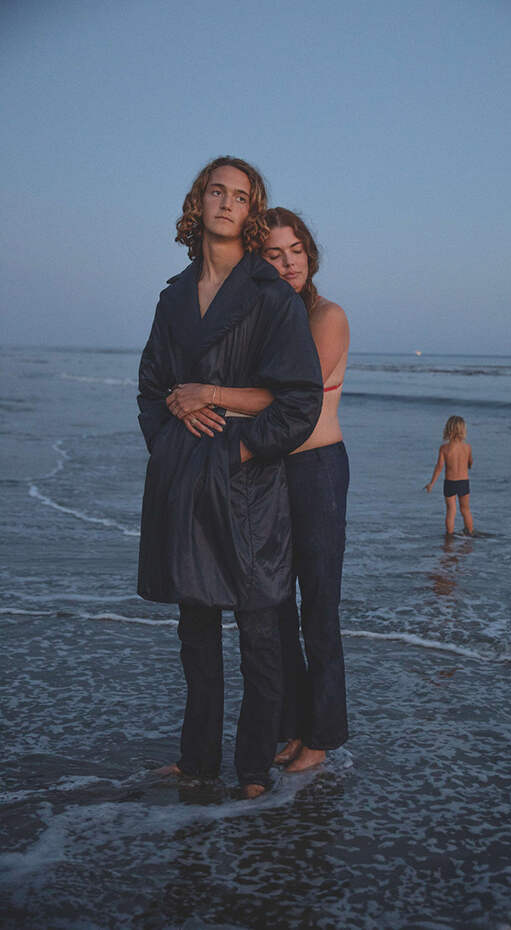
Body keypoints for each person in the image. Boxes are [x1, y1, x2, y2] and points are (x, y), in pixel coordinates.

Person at [137, 158, 323, 799]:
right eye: (216, 191)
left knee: (259, 631)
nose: (226, 203)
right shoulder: (172, 297)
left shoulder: (271, 296)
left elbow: (300, 401)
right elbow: (151, 387)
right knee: (195, 632)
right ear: (200, 201)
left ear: (251, 212)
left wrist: (237, 452)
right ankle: (197, 761)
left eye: (240, 197)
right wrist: (171, 443)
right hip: (184, 480)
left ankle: (250, 772)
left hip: (247, 485)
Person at [174, 207, 350, 773]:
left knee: (318, 605)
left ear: (309, 253)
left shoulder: (326, 316)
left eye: (297, 250)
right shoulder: (265, 317)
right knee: (272, 608)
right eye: (274, 254)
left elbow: (292, 395)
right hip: (266, 470)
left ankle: (322, 737)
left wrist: (209, 392)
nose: (289, 262)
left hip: (316, 470)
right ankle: (290, 728)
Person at [425, 415, 474, 535]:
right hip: (463, 481)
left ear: (448, 429)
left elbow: (439, 467)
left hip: (450, 482)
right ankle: (470, 533)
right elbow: (470, 463)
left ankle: (450, 535)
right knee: (465, 510)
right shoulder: (467, 447)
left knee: (451, 510)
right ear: (463, 430)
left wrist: (431, 483)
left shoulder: (444, 448)